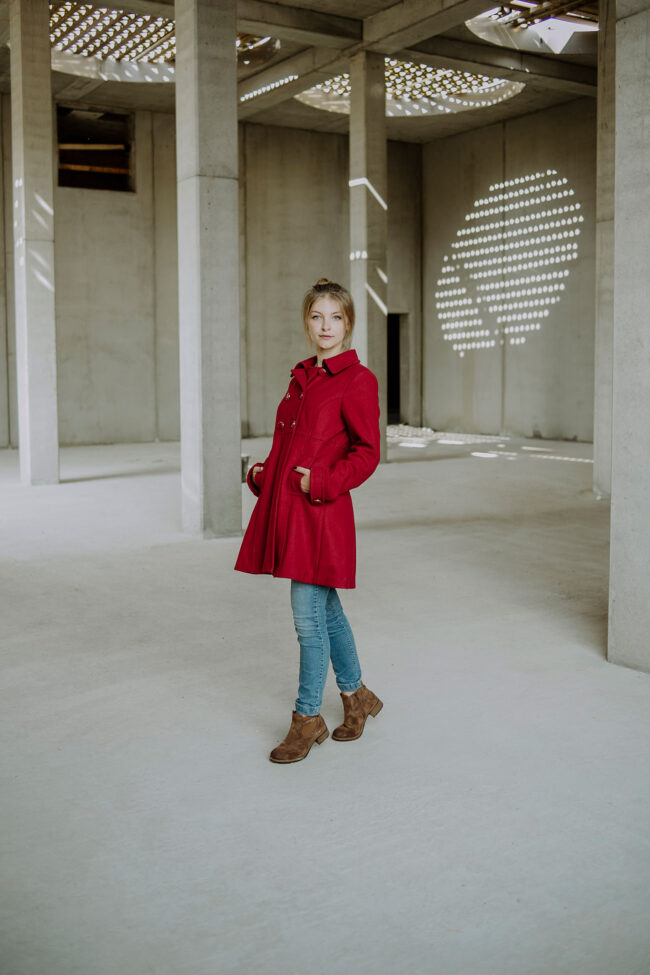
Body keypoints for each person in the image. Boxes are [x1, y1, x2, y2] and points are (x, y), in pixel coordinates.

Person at [235, 278, 383, 763]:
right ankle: (356, 696)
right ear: (307, 322)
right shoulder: (302, 378)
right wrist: (265, 475)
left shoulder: (357, 380)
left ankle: (306, 718)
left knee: (307, 619)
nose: (326, 326)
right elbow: (291, 447)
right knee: (327, 611)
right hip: (291, 513)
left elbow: (366, 454)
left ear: (348, 323)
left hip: (321, 516)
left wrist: (315, 482)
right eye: (317, 316)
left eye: (335, 317)